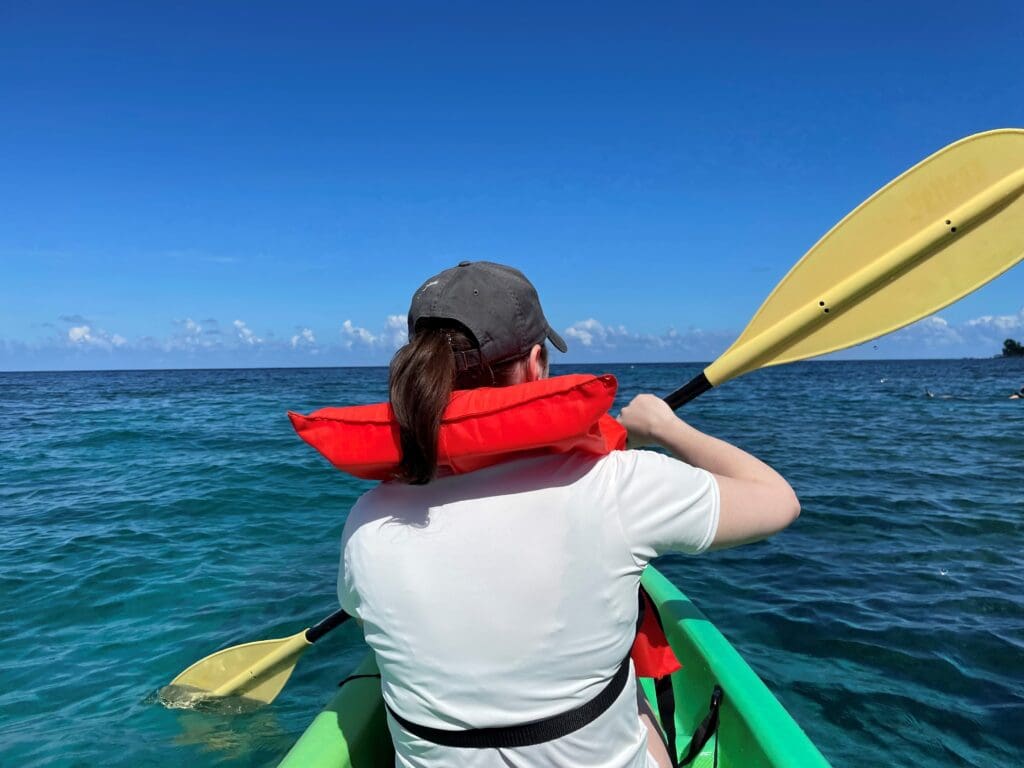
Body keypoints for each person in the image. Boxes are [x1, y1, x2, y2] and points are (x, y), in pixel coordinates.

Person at [337, 261, 800, 768]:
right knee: (636, 697)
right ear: (537, 363)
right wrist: (668, 429)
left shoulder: (368, 521)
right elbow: (778, 501)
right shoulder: (617, 486)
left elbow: (365, 612)